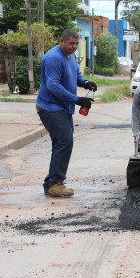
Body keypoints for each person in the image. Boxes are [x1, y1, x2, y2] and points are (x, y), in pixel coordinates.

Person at [36, 29, 97, 198]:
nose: (74, 46)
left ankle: (52, 182)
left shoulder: (70, 57)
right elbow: (53, 85)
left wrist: (85, 83)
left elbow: (75, 75)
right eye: (71, 43)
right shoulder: (54, 57)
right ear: (61, 41)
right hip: (50, 107)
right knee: (64, 142)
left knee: (64, 143)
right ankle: (55, 183)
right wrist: (77, 100)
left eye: (76, 43)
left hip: (62, 108)